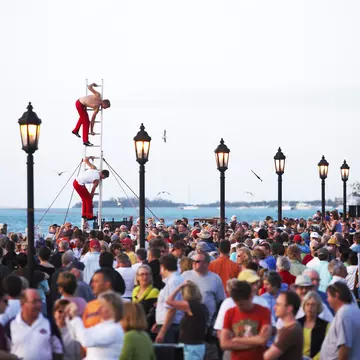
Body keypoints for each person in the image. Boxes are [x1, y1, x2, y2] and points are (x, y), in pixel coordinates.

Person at [220, 281, 271, 360]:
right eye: (236, 303)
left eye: (242, 304)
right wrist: (254, 342)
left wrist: (237, 340)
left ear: (251, 297)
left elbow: (263, 340)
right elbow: (224, 343)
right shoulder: (230, 313)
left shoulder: (263, 311)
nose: (239, 307)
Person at [65, 291, 124, 360]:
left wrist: (75, 317)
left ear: (112, 309)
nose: (98, 309)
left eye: (102, 306)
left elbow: (85, 340)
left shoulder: (114, 329)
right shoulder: (101, 326)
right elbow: (76, 336)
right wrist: (70, 317)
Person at [9, 289, 63, 360]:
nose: (38, 305)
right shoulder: (11, 324)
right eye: (34, 302)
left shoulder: (49, 323)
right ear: (22, 304)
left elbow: (58, 349)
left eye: (39, 301)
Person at [182, 251, 225, 330]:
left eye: (197, 261)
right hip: (187, 321)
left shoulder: (215, 278)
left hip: (207, 324)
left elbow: (220, 302)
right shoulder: (185, 275)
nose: (194, 263)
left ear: (206, 263)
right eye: (193, 261)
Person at [166, 280, 208, 360]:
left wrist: (179, 287)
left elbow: (169, 301)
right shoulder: (201, 306)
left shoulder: (190, 305)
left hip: (191, 346)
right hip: (197, 345)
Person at [320, 282, 360, 360]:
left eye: (328, 296)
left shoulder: (344, 314)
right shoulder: (355, 310)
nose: (327, 300)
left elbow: (344, 346)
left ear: (336, 295)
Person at [264, 291, 303, 360]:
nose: (274, 307)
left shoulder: (289, 331)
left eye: (278, 304)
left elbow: (268, 356)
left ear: (289, 309)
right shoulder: (292, 327)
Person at [154, 254, 184, 343]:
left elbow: (172, 308)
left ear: (163, 267)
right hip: (169, 324)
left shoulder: (173, 282)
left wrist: (162, 332)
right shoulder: (176, 280)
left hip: (171, 326)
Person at [298, 291, 329, 360]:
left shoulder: (325, 325)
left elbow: (327, 347)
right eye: (307, 304)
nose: (310, 307)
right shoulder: (297, 323)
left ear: (318, 307)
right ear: (304, 306)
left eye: (313, 304)